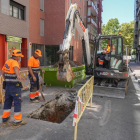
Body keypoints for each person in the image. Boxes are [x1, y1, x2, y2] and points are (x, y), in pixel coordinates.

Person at [2, 49, 27, 125]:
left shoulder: (7, 61)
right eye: (19, 56)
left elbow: (3, 72)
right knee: (17, 102)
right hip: (14, 87)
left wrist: (6, 79)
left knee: (7, 102)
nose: (20, 58)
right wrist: (18, 75)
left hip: (8, 86)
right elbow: (16, 68)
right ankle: (17, 120)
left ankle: (5, 118)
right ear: (16, 56)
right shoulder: (14, 62)